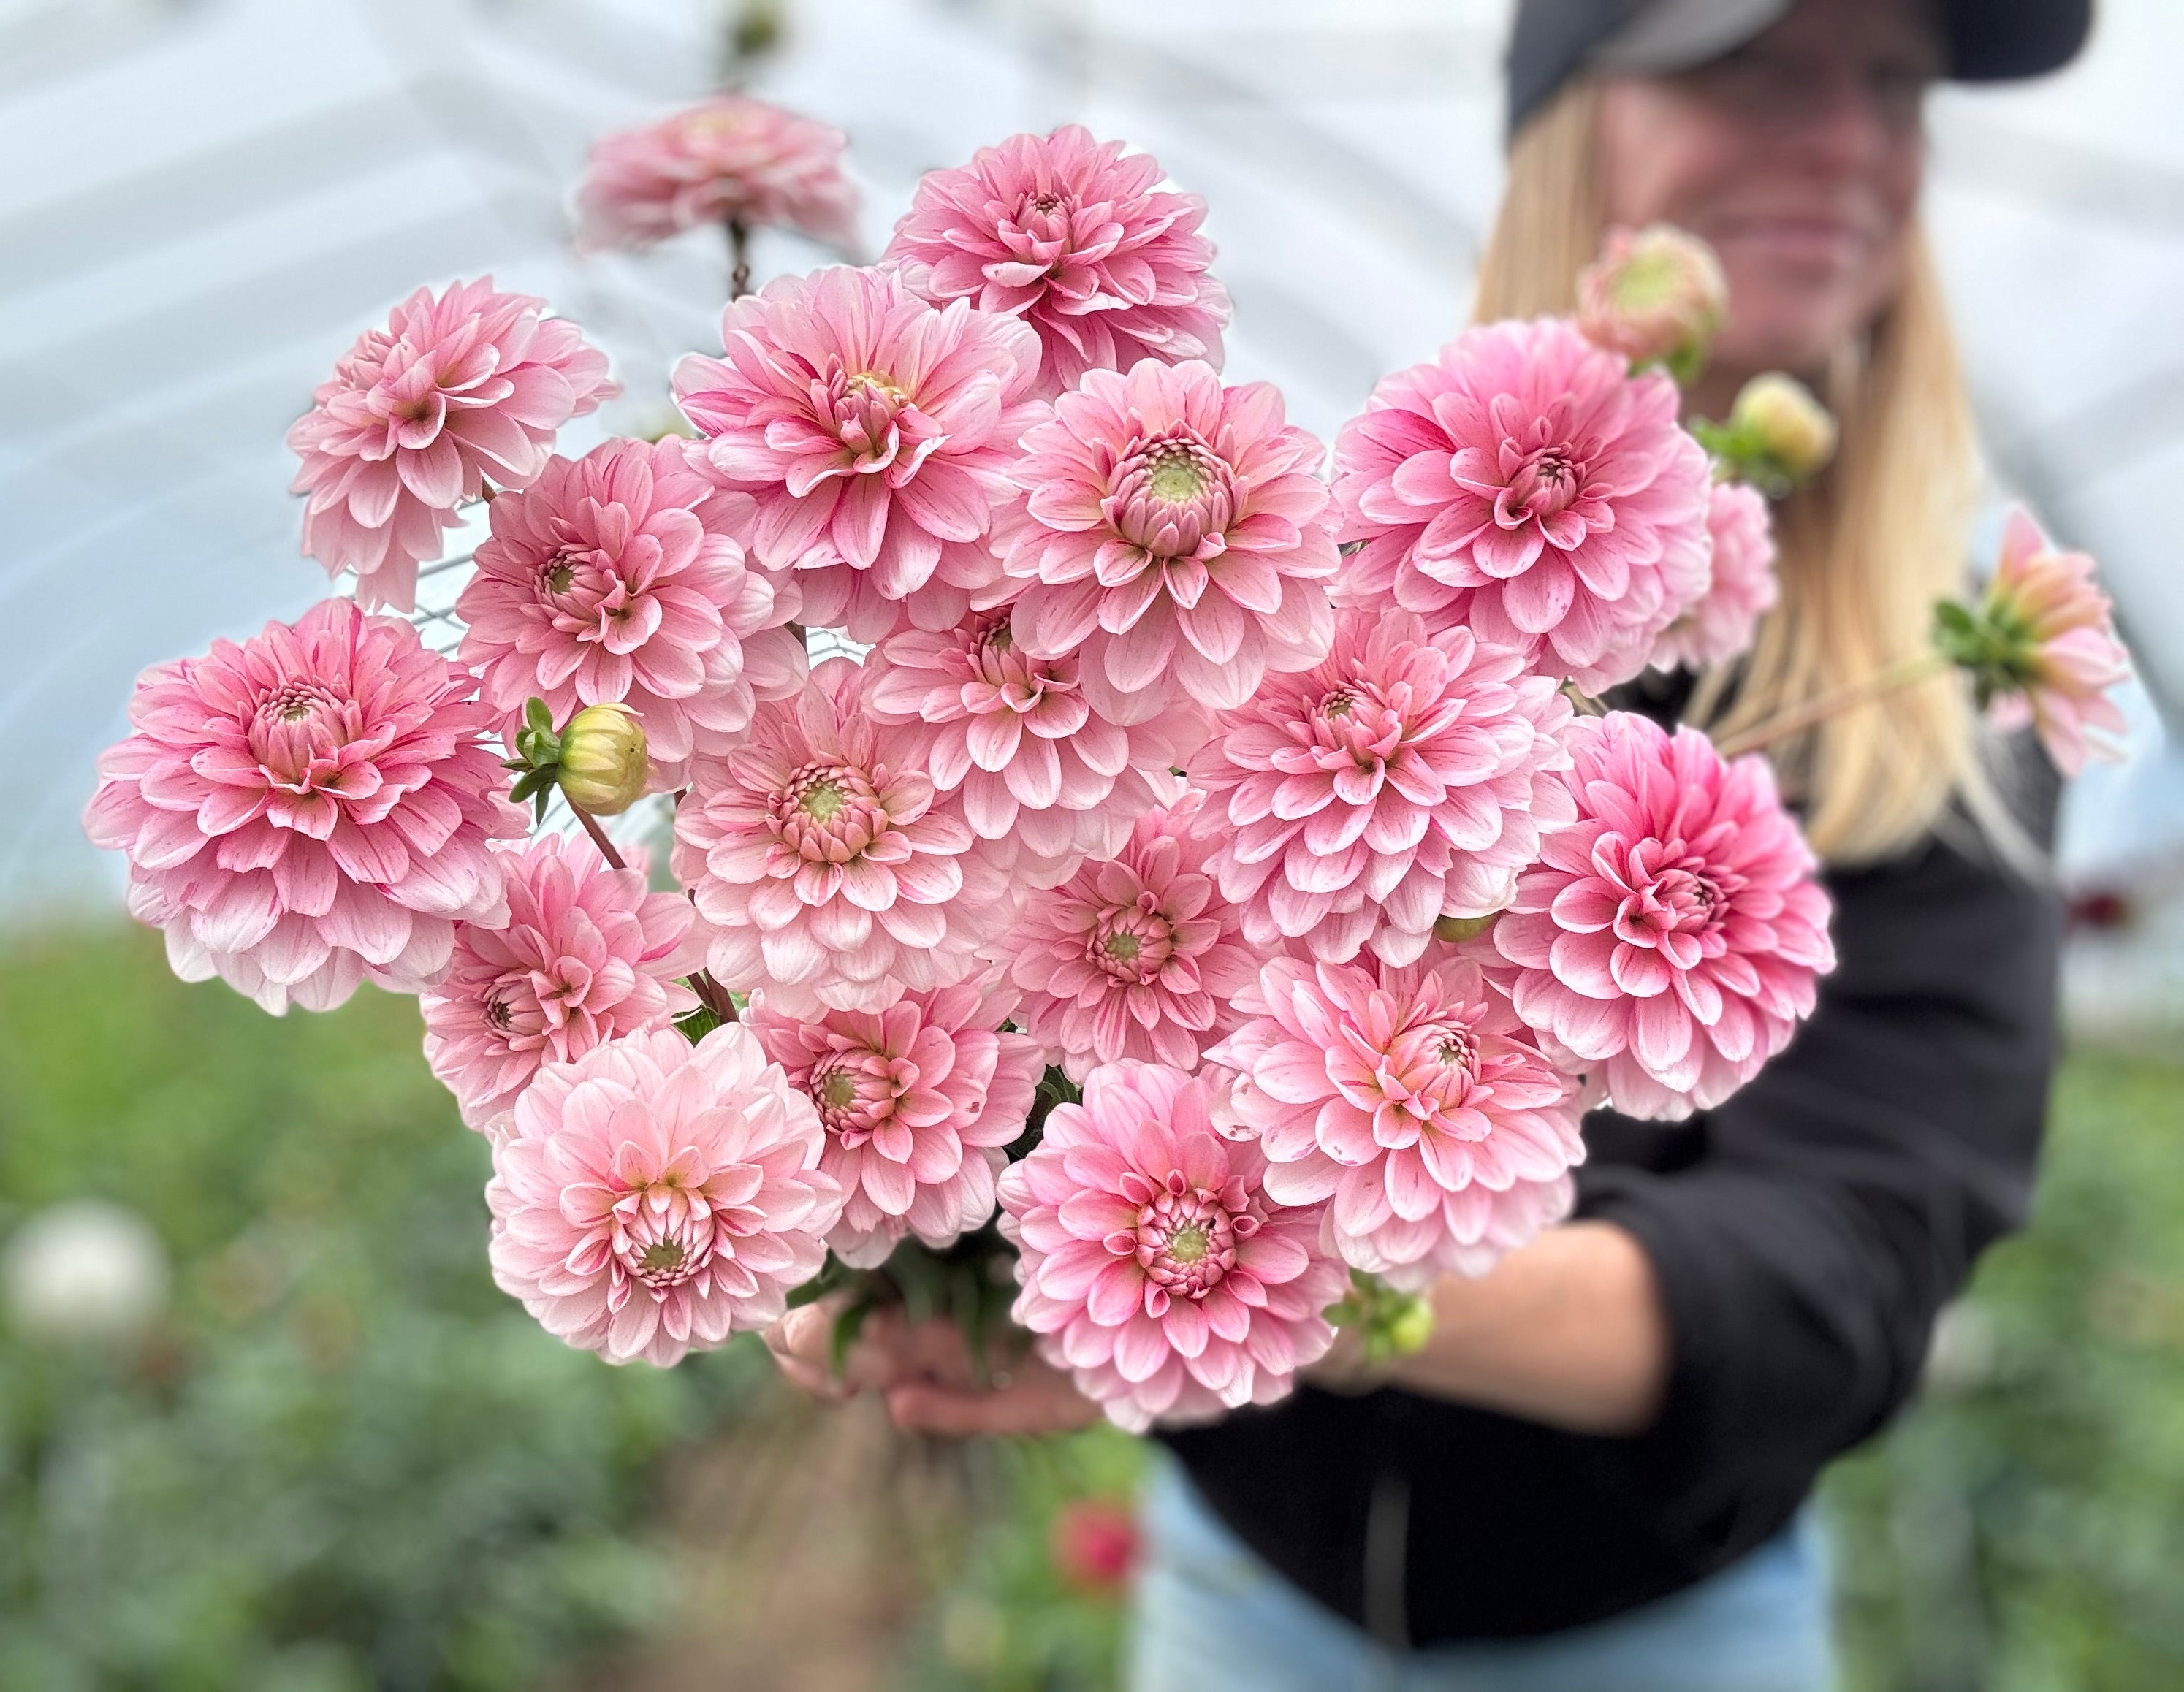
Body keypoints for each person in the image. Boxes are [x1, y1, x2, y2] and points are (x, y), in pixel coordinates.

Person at [769, 0, 2095, 1684]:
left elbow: (1836, 1283)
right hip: (1247, 1599)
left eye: (1894, 85)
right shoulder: (1309, 576)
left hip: (1653, 1634)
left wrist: (1256, 1290)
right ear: (1570, 130)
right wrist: (851, 1161)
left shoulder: (1940, 724)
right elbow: (1074, 950)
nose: (1845, 137)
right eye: (1751, 62)